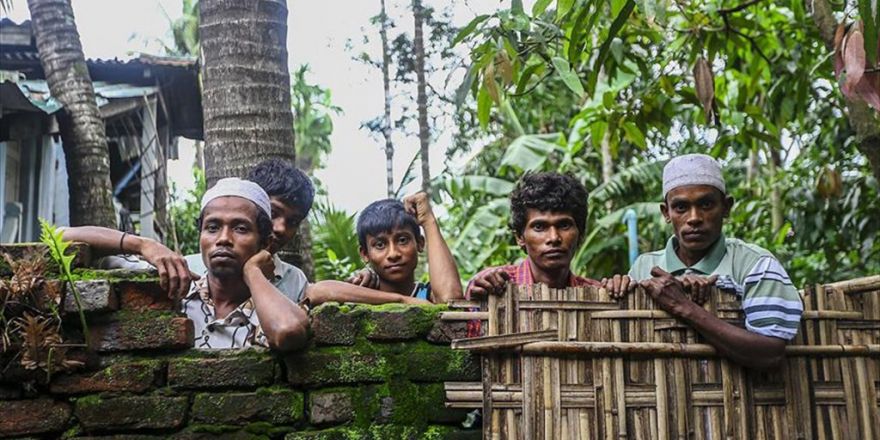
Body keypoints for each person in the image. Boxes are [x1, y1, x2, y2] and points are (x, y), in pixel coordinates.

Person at [63, 178, 310, 350]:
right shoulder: (173, 286)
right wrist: (143, 245)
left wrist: (253, 270)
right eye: (212, 227)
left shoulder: (271, 308)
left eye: (240, 228)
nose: (223, 238)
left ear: (264, 241)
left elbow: (288, 332)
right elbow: (60, 237)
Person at [621, 154, 803, 369]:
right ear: (666, 212)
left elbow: (770, 353)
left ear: (726, 207)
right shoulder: (644, 266)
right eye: (681, 207)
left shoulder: (756, 264)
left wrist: (684, 307)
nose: (694, 218)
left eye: (706, 204)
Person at [306, 192, 462, 305]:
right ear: (365, 254)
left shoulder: (426, 295)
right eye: (380, 245)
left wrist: (428, 221)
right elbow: (316, 292)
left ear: (420, 243)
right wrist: (403, 301)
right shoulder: (360, 292)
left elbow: (450, 300)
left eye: (402, 240)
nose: (393, 254)